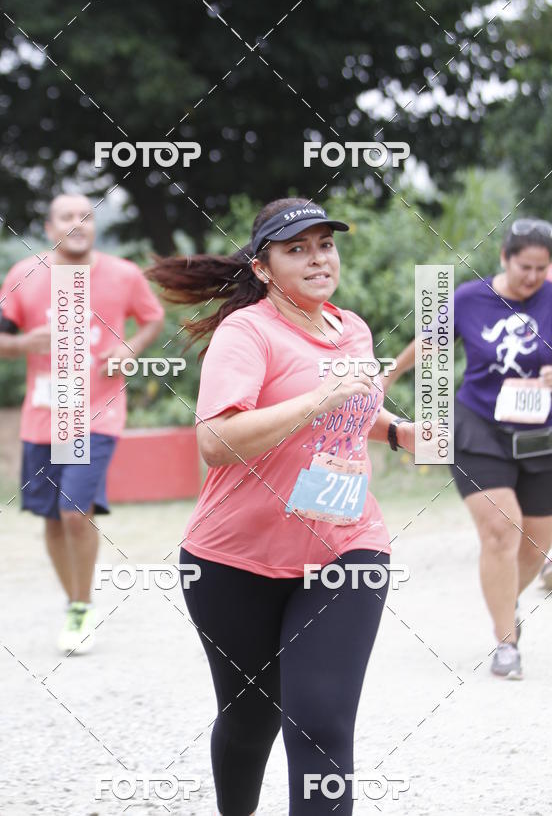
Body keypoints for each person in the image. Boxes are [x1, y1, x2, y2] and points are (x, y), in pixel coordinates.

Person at [148, 198, 416, 816]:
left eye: (325, 245)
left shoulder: (351, 329)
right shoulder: (248, 333)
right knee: (250, 717)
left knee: (321, 723)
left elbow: (351, 410)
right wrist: (319, 398)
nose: (318, 259)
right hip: (233, 559)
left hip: (346, 545)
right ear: (265, 268)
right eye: (297, 249)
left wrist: (399, 431)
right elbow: (216, 442)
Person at [0, 194, 165, 653]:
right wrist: (28, 340)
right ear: (49, 228)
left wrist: (130, 349)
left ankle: (81, 606)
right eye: (66, 216)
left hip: (94, 411)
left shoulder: (122, 274)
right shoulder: (24, 275)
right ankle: (74, 602)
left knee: (73, 511)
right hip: (43, 416)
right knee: (51, 519)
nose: (77, 223)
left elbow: (152, 318)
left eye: (85, 215)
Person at [387, 218, 552, 678]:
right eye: (525, 267)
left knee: (536, 546)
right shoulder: (469, 297)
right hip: (477, 425)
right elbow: (430, 343)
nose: (533, 277)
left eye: (542, 268)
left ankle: (507, 600)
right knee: (502, 530)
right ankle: (506, 643)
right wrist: (390, 373)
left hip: (542, 433)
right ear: (504, 257)